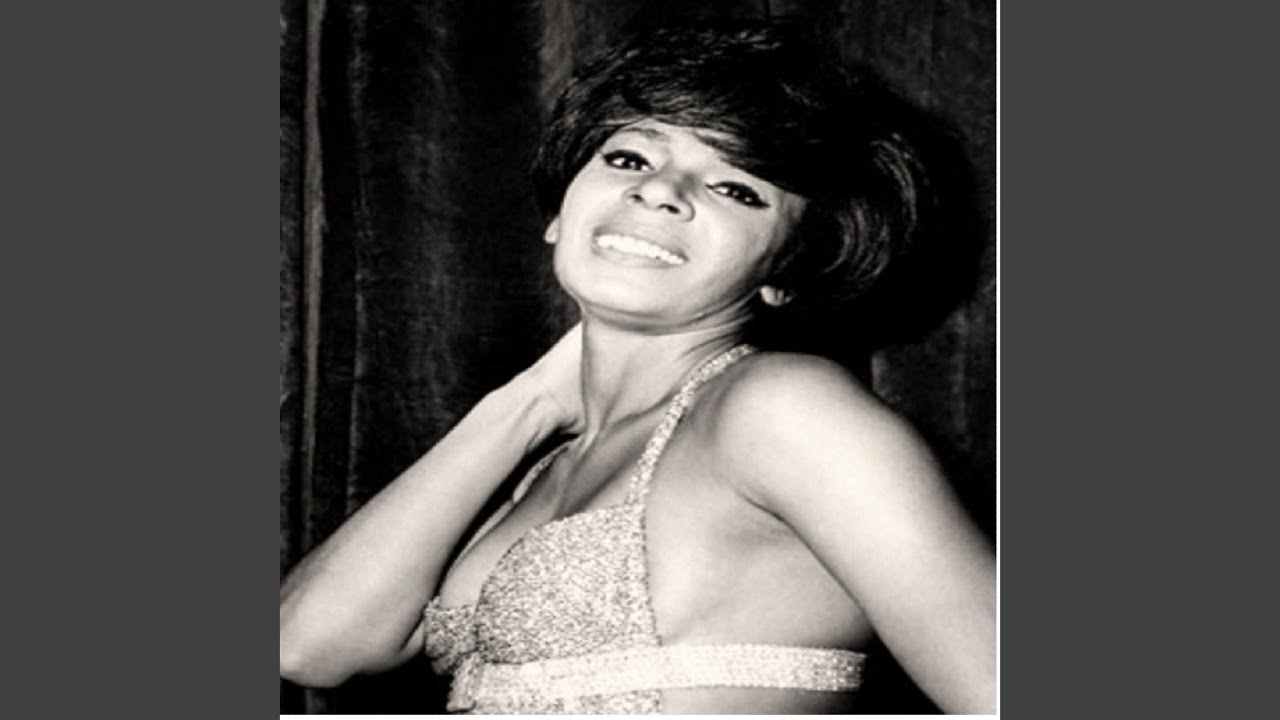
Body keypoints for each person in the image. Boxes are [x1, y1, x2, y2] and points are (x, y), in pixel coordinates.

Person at [279, 20, 996, 715]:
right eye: (629, 158)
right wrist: (525, 403)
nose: (659, 190)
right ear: (559, 212)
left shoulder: (783, 409)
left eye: (736, 188)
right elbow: (308, 646)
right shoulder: (543, 465)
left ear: (787, 270)